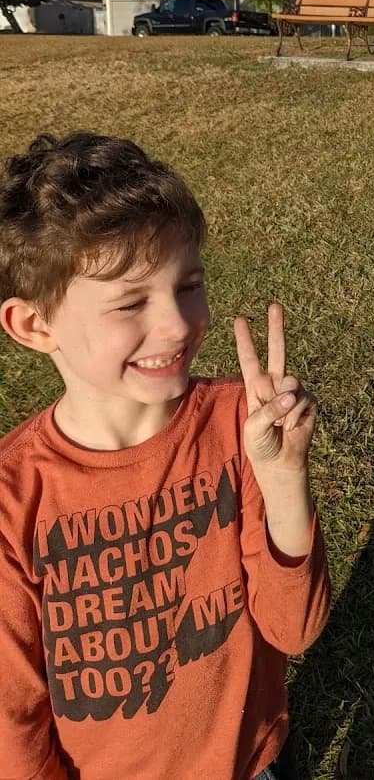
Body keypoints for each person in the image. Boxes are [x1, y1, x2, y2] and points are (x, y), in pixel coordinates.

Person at [0, 133, 331, 780]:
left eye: (189, 284)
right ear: (34, 325)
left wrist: (285, 476)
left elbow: (295, 630)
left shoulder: (241, 424)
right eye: (130, 303)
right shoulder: (14, 501)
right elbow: (15, 728)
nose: (178, 325)